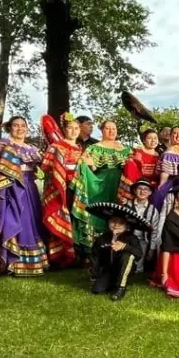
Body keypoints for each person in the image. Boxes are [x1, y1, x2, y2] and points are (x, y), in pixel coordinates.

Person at [0, 116, 48, 277]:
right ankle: (11, 259)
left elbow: (44, 164)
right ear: (10, 128)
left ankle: (30, 262)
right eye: (16, 126)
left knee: (30, 221)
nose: (19, 129)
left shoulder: (32, 149)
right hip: (11, 189)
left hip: (29, 187)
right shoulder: (3, 144)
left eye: (23, 126)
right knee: (14, 219)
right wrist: (6, 153)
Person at [71, 119, 131, 256]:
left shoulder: (126, 149)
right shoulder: (94, 148)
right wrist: (90, 165)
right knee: (100, 213)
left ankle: (117, 247)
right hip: (100, 184)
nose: (111, 131)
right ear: (102, 130)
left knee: (118, 213)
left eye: (114, 128)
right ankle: (94, 249)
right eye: (108, 128)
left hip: (120, 185)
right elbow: (86, 166)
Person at [40, 113, 85, 266]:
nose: (73, 131)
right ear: (64, 130)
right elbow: (45, 166)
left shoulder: (80, 149)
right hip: (59, 188)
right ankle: (58, 256)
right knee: (59, 216)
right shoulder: (55, 146)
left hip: (76, 188)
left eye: (76, 128)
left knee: (73, 219)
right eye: (70, 128)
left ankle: (74, 254)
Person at [86, 202, 145, 301]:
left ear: (127, 225)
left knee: (127, 256)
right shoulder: (102, 238)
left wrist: (125, 246)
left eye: (121, 222)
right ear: (109, 222)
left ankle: (121, 288)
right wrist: (95, 275)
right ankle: (111, 282)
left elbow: (139, 253)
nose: (116, 225)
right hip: (108, 270)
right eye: (113, 221)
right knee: (96, 290)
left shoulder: (131, 238)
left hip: (124, 269)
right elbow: (95, 257)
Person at [126, 180, 159, 274]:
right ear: (135, 190)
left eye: (146, 189)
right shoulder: (127, 205)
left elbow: (154, 231)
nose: (142, 191)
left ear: (150, 192)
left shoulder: (153, 211)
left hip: (143, 241)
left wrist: (152, 249)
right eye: (140, 188)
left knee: (138, 269)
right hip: (127, 240)